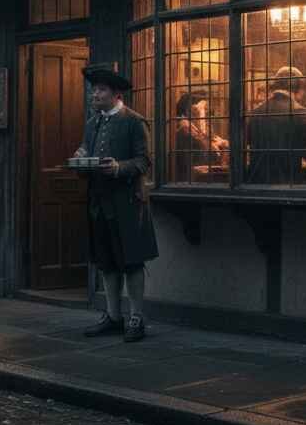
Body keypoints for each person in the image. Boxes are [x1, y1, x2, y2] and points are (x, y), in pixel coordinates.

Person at [72, 65, 158, 343]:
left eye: (101, 90)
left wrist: (120, 167)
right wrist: (81, 158)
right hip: (99, 203)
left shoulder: (134, 121)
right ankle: (113, 316)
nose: (94, 95)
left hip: (128, 204)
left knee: (131, 262)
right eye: (93, 90)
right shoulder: (92, 123)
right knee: (106, 262)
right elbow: (87, 151)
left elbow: (144, 161)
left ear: (116, 94)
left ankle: (136, 318)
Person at [244, 66, 306, 184]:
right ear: (298, 86)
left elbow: (246, 146)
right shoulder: (302, 114)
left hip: (256, 183)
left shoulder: (254, 113)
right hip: (289, 184)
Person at [173, 90, 228, 179]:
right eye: (203, 110)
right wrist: (218, 147)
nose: (206, 114)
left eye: (206, 110)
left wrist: (221, 143)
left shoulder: (198, 127)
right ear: (190, 110)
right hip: (194, 178)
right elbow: (202, 154)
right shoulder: (185, 128)